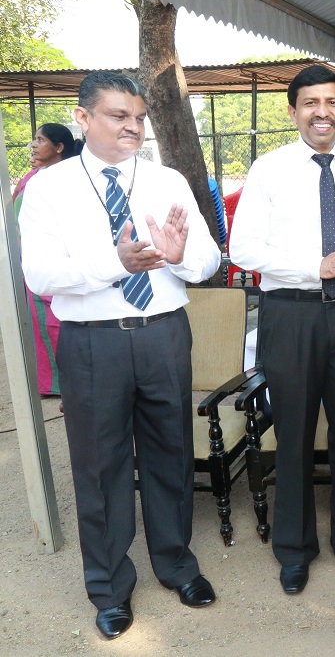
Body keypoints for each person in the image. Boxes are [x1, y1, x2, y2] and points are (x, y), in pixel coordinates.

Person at [19, 71, 222, 639]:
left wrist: (180, 258)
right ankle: (109, 586)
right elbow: (40, 276)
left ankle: (177, 564)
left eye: (138, 117)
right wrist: (117, 263)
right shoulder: (48, 187)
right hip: (91, 342)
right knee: (100, 463)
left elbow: (205, 260)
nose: (133, 127)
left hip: (163, 332)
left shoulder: (168, 181)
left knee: (170, 450)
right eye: (118, 116)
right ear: (83, 118)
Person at [229, 65, 335, 595]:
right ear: (294, 110)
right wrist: (317, 264)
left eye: (332, 102)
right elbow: (244, 247)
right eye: (310, 103)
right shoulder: (269, 168)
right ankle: (294, 549)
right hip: (290, 313)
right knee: (294, 433)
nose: (322, 112)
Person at [13, 123, 81, 397]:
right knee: (40, 321)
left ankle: (68, 382)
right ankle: (52, 383)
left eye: (40, 139)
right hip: (30, 259)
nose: (33, 145)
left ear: (59, 147)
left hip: (60, 260)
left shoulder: (71, 177)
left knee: (58, 321)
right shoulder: (32, 178)